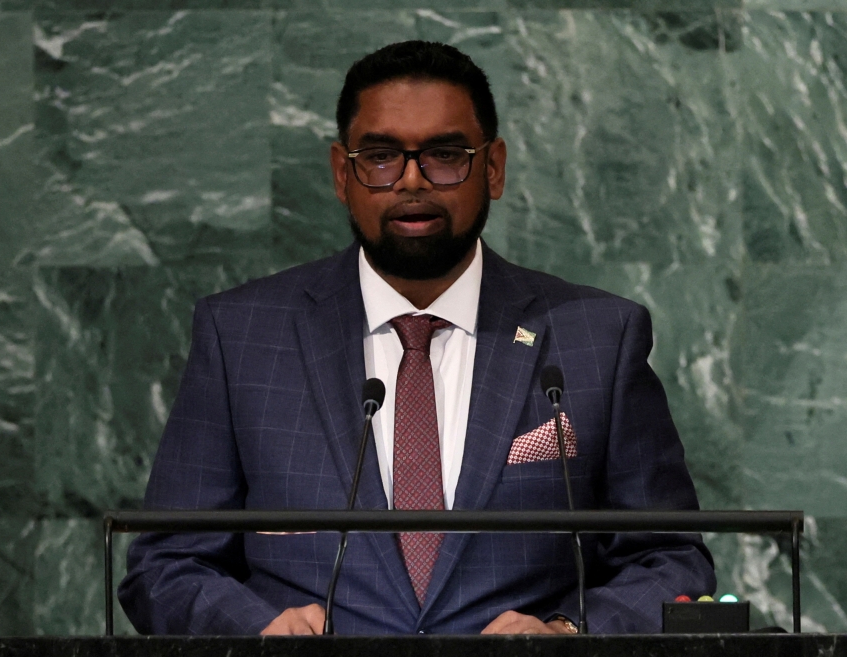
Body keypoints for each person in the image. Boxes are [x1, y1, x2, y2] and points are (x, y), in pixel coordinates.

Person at [119, 40, 715, 636]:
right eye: (379, 156)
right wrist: (258, 631)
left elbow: (672, 560)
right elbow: (167, 564)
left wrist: (566, 635)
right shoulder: (243, 336)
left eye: (445, 154)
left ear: (495, 167)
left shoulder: (596, 337)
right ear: (341, 174)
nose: (411, 181)